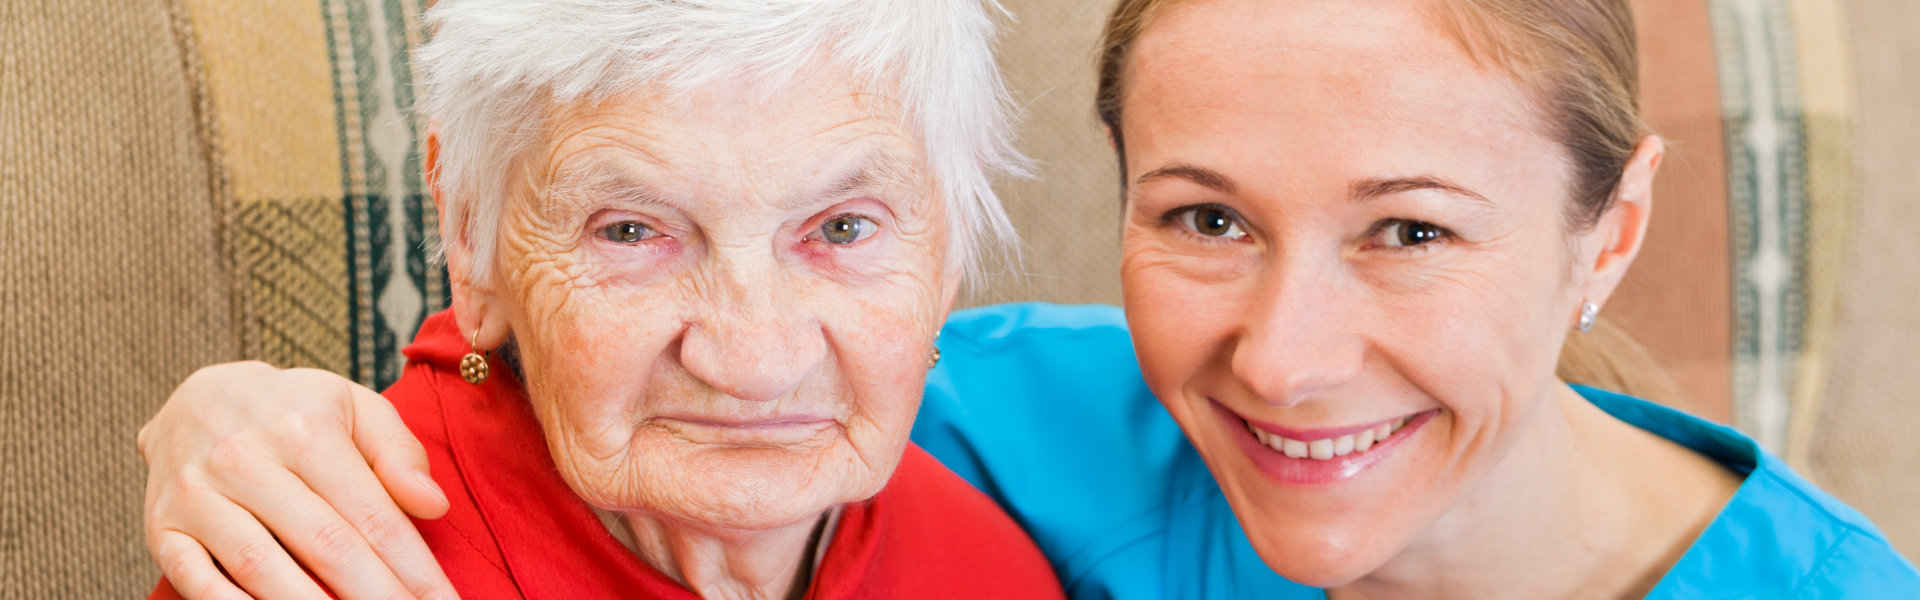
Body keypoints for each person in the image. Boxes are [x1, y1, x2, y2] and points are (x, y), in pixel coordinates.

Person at [141, 0, 1920, 598]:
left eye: (1413, 233)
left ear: (1608, 237)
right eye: (1207, 218)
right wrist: (243, 414)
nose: (1283, 362)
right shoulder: (988, 411)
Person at [139, 0, 1065, 598]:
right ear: (470, 235)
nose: (753, 360)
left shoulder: (994, 567)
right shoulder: (303, 563)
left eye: (843, 229)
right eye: (631, 231)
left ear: (950, 247)